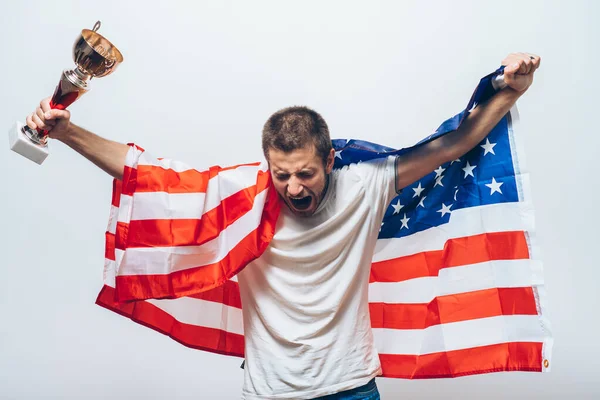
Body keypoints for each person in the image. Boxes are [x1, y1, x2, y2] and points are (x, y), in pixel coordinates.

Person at [25, 52, 540, 400]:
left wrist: (509, 86)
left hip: (352, 388)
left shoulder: (367, 184)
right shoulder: (244, 197)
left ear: (330, 160)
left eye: (306, 173)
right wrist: (67, 132)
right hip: (270, 392)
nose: (293, 187)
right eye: (282, 174)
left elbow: (455, 142)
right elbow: (141, 171)